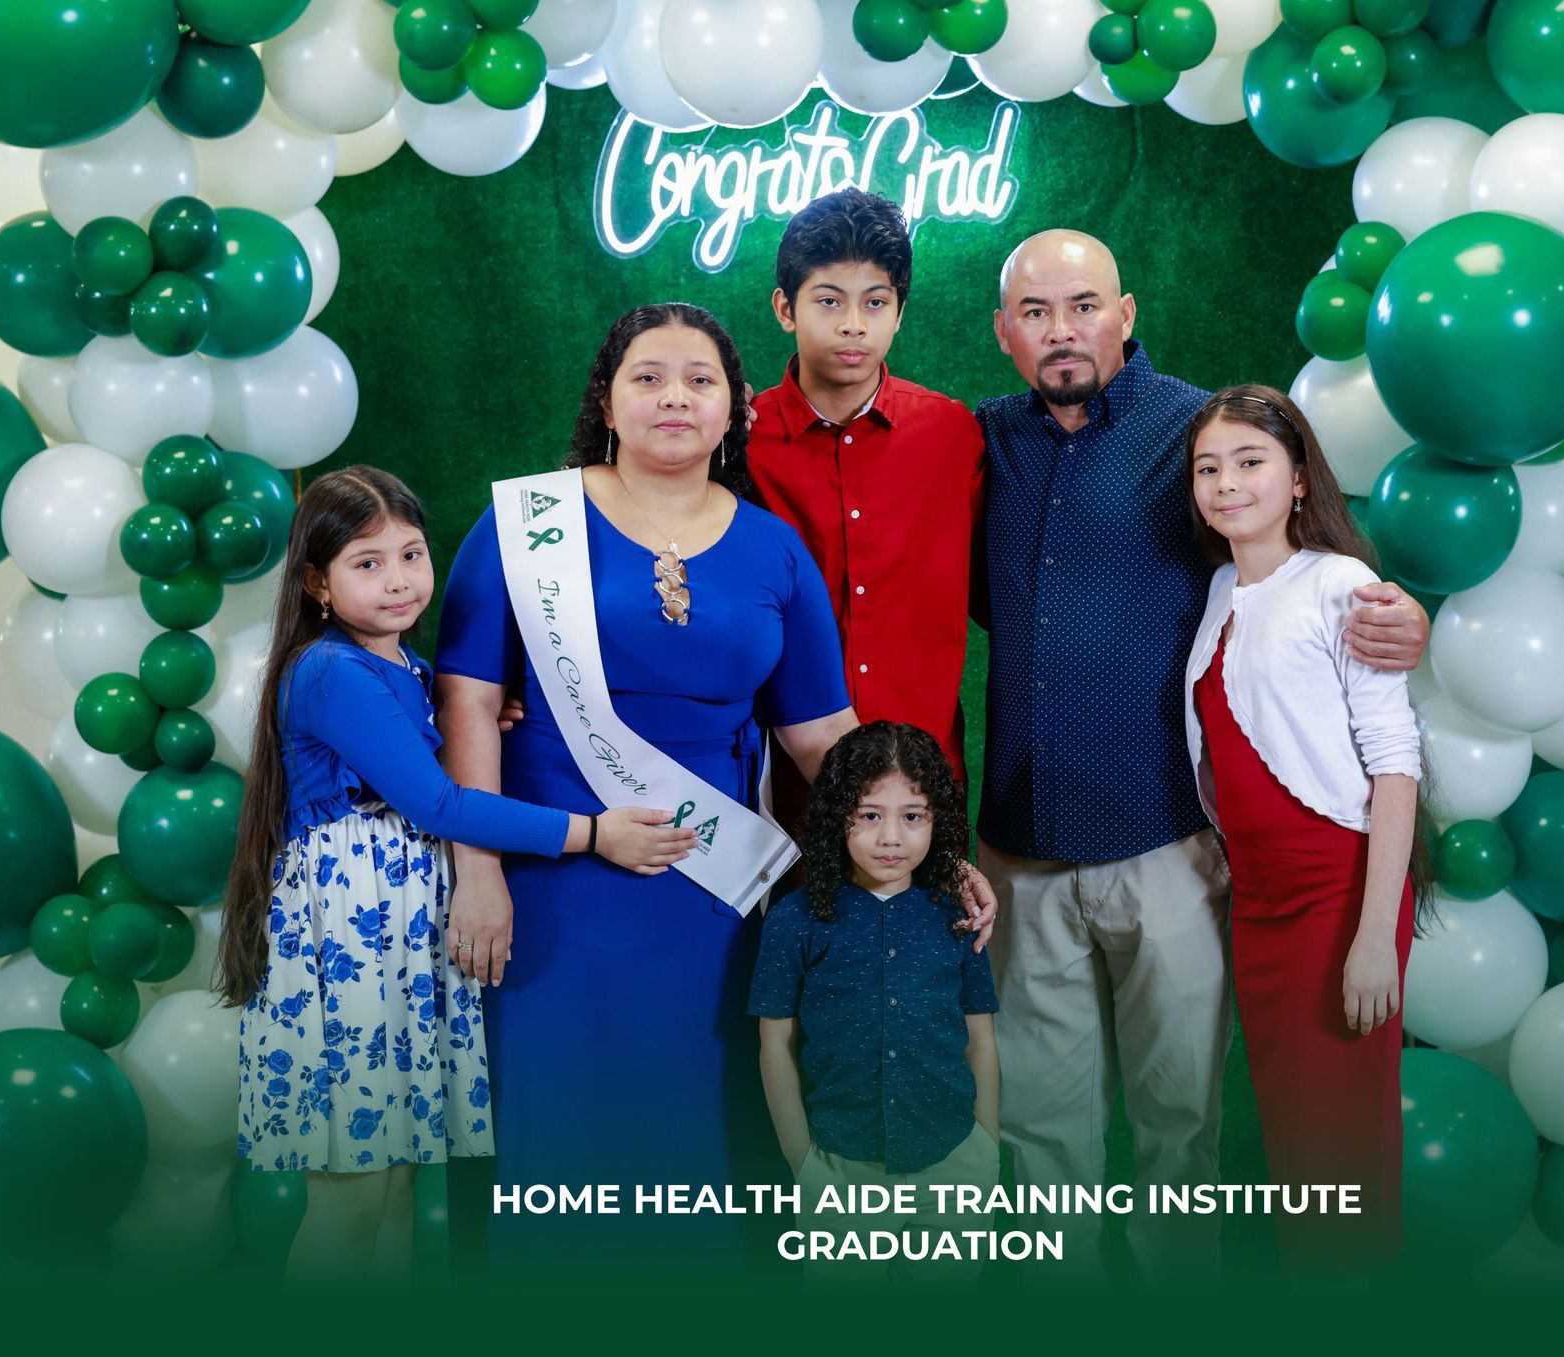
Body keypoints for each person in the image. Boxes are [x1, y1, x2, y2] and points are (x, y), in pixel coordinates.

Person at [432, 304, 990, 1276]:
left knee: (692, 1136)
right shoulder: (526, 525)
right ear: (606, 398)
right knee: (559, 1127)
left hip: (712, 900)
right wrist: (475, 871)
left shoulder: (774, 549)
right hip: (550, 883)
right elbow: (470, 704)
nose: (675, 397)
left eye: (701, 379)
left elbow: (821, 735)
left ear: (735, 410)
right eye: (648, 376)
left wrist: (935, 853)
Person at [975, 229, 1430, 1275]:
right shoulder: (982, 443)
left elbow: (1316, 576)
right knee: (1044, 1138)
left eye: (1083, 304)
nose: (1062, 330)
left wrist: (1407, 618)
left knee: (1181, 1126)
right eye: (1036, 312)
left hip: (1166, 847)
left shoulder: (1194, 431)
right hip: (1023, 849)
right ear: (1004, 332)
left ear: (1125, 313)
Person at [216, 466, 615, 1282]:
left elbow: (424, 742)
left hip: (396, 944)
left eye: (411, 554)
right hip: (349, 948)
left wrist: (467, 713)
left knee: (395, 1191)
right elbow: (438, 802)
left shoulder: (404, 669)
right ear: (316, 583)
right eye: (367, 562)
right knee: (352, 1200)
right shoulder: (330, 671)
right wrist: (590, 833)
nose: (399, 579)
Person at [1182, 386, 1428, 1273]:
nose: (1226, 483)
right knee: (1298, 1154)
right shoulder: (1216, 590)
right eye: (1209, 467)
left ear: (1297, 479)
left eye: (1250, 462)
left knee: (1346, 1156)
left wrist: (1374, 939)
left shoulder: (1342, 583)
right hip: (1261, 909)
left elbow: (1395, 760)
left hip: (1339, 895)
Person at [747, 189, 986, 788]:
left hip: (924, 781)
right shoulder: (737, 440)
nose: (854, 323)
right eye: (828, 301)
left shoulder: (952, 434)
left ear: (899, 311)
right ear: (785, 308)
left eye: (875, 302)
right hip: (777, 788)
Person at [750, 722, 1000, 1288]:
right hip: (838, 1167)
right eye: (869, 814)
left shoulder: (955, 915)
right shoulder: (794, 920)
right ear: (837, 816)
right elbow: (775, 1047)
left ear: (938, 819)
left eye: (912, 815)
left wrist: (985, 1147)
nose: (891, 837)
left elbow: (980, 1037)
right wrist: (803, 1165)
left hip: (954, 1162)